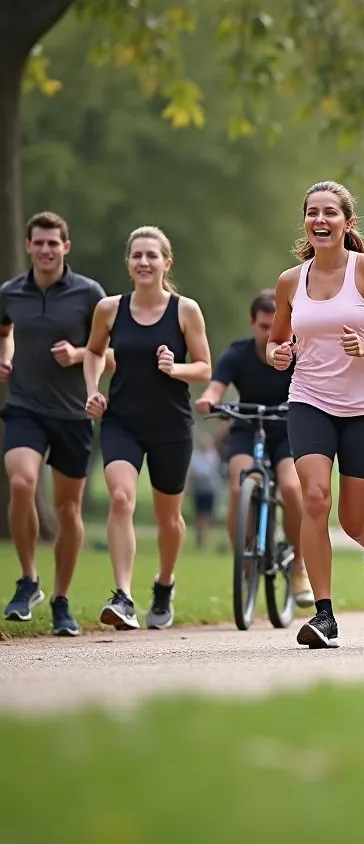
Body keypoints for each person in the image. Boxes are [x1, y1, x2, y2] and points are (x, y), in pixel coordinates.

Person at [267, 180, 364, 649]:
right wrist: (278, 353)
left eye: (330, 213)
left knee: (355, 521)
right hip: (309, 400)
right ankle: (325, 615)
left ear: (347, 223)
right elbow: (277, 340)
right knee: (315, 499)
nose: (320, 220)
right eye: (313, 212)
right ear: (306, 221)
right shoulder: (290, 282)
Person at [84, 226, 212, 630]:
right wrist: (93, 390)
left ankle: (164, 583)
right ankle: (123, 596)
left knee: (168, 519)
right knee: (121, 499)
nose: (143, 262)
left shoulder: (185, 310)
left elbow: (205, 367)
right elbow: (93, 353)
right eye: (136, 255)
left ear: (165, 263)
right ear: (128, 262)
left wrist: (176, 368)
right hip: (122, 421)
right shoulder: (109, 309)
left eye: (151, 255)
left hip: (171, 426)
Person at [0, 211, 113, 635]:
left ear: (66, 247)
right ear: (28, 246)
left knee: (68, 509)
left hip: (73, 412)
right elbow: (4, 330)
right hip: (25, 406)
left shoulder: (90, 295)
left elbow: (106, 352)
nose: (46, 250)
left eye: (54, 243)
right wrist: (7, 356)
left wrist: (80, 354)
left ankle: (62, 599)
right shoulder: (11, 292)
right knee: (22, 483)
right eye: (39, 243)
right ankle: (28, 580)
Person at [195, 290, 314, 607]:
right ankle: (245, 556)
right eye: (263, 326)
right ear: (253, 323)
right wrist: (210, 398)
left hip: (288, 430)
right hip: (247, 428)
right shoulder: (238, 354)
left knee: (291, 488)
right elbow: (217, 384)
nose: (270, 333)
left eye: (277, 325)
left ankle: (299, 563)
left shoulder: (298, 354)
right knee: (240, 485)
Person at [186, 432, 222, 550]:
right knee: (199, 516)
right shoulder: (196, 457)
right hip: (199, 489)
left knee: (207, 516)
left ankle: (205, 540)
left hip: (209, 490)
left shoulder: (213, 456)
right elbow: (193, 474)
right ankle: (200, 539)